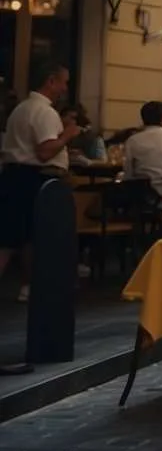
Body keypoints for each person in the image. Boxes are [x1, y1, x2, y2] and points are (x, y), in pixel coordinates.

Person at [0, 64, 80, 301]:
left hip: (15, 175)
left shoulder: (21, 109)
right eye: (63, 82)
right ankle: (34, 285)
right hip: (32, 178)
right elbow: (45, 151)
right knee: (13, 239)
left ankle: (30, 284)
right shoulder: (44, 112)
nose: (65, 88)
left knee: (24, 237)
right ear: (51, 81)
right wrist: (68, 135)